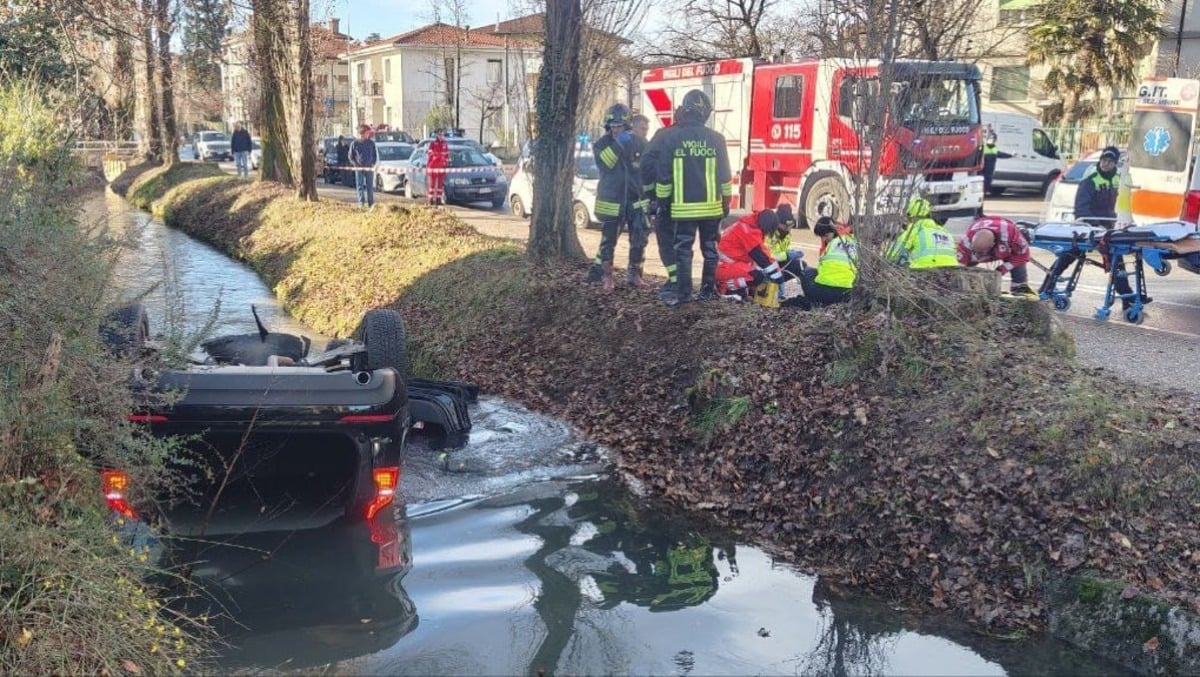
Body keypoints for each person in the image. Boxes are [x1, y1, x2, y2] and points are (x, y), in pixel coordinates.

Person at [654, 89, 732, 305]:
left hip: (683, 209)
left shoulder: (672, 138)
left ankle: (684, 295)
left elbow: (664, 177)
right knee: (710, 250)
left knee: (683, 251)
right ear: (705, 113)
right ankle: (707, 292)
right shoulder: (717, 139)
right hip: (711, 209)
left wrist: (662, 205)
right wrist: (726, 203)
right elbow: (725, 177)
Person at [1047, 145, 1142, 307]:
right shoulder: (1090, 181)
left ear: (1115, 163)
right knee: (1070, 254)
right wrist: (1096, 225)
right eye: (1104, 160)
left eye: (1110, 161)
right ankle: (1048, 285)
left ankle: (1127, 298)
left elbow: (1125, 202)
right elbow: (1081, 208)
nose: (1105, 164)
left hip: (1109, 229)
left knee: (1117, 262)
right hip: (1088, 227)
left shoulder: (1118, 180)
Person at [587, 103, 646, 291]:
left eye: (619, 126)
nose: (616, 130)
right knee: (608, 240)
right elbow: (606, 164)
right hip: (611, 200)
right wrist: (619, 143)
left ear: (627, 126)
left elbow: (646, 169)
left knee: (639, 237)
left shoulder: (639, 143)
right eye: (612, 127)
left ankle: (635, 274)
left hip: (635, 199)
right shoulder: (601, 145)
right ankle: (607, 277)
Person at [642, 109, 679, 301]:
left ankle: (675, 281)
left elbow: (646, 164)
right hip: (692, 203)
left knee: (666, 243)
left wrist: (652, 195)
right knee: (684, 244)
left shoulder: (663, 136)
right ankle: (684, 281)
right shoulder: (703, 137)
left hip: (667, 200)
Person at [957, 215, 1037, 298]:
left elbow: (1022, 256)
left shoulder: (1012, 237)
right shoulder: (965, 243)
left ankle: (1020, 290)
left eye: (981, 253)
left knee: (1018, 266)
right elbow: (959, 268)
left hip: (1007, 247)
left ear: (993, 244)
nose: (978, 256)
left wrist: (1002, 269)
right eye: (975, 252)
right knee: (964, 273)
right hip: (977, 246)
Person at [715, 209, 786, 299]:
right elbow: (762, 258)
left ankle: (737, 288)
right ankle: (724, 286)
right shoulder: (749, 231)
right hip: (724, 267)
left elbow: (764, 255)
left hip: (729, 264)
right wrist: (779, 279)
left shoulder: (750, 225)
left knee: (758, 272)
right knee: (756, 277)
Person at [885, 196, 959, 269]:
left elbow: (893, 255)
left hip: (925, 270)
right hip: (951, 271)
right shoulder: (944, 231)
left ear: (911, 217)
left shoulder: (914, 231)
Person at [796, 218, 857, 305]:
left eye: (825, 236)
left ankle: (813, 300)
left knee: (806, 272)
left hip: (826, 291)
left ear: (834, 230)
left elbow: (821, 266)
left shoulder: (833, 243)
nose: (824, 239)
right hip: (849, 292)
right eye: (821, 236)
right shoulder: (853, 240)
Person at [765, 203, 806, 296]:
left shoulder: (785, 234)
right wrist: (787, 255)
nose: (788, 229)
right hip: (766, 266)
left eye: (790, 226)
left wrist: (791, 252)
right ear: (777, 223)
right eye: (785, 226)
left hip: (779, 262)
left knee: (802, 266)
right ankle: (771, 286)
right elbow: (766, 257)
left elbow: (782, 249)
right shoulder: (768, 234)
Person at [349, 124, 377, 208]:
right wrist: (356, 165)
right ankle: (361, 203)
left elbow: (374, 155)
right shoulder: (355, 143)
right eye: (367, 132)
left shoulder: (371, 143)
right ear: (362, 133)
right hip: (359, 168)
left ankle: (371, 204)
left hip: (369, 168)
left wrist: (373, 163)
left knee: (370, 187)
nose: (368, 134)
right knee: (360, 186)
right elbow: (351, 156)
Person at [427, 130, 450, 206]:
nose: (441, 136)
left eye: (442, 135)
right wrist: (437, 157)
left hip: (441, 166)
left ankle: (438, 199)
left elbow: (447, 155)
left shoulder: (445, 144)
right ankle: (430, 200)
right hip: (433, 166)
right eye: (440, 135)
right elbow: (430, 154)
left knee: (440, 184)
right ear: (437, 135)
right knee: (432, 185)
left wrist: (446, 163)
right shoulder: (433, 143)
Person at [982, 129, 999, 194]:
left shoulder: (992, 148)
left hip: (989, 170)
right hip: (984, 170)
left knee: (986, 183)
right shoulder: (986, 147)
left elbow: (999, 154)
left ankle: (985, 191)